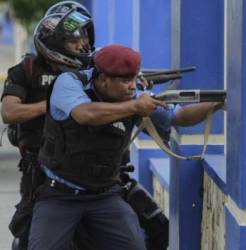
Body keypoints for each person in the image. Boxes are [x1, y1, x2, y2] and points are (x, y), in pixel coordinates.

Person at [27, 44, 224, 250]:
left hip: (104, 195)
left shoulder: (134, 98)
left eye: (133, 79)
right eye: (125, 81)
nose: (132, 87)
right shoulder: (69, 83)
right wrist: (135, 106)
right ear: (102, 79)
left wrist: (217, 104)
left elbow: (179, 116)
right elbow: (85, 114)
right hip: (60, 195)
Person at [1, 8, 94, 250]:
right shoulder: (27, 70)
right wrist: (52, 104)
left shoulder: (92, 68)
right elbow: (10, 112)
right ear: (55, 43)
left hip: (90, 171)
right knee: (28, 239)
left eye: (84, 37)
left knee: (150, 226)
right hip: (40, 171)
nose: (82, 44)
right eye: (74, 39)